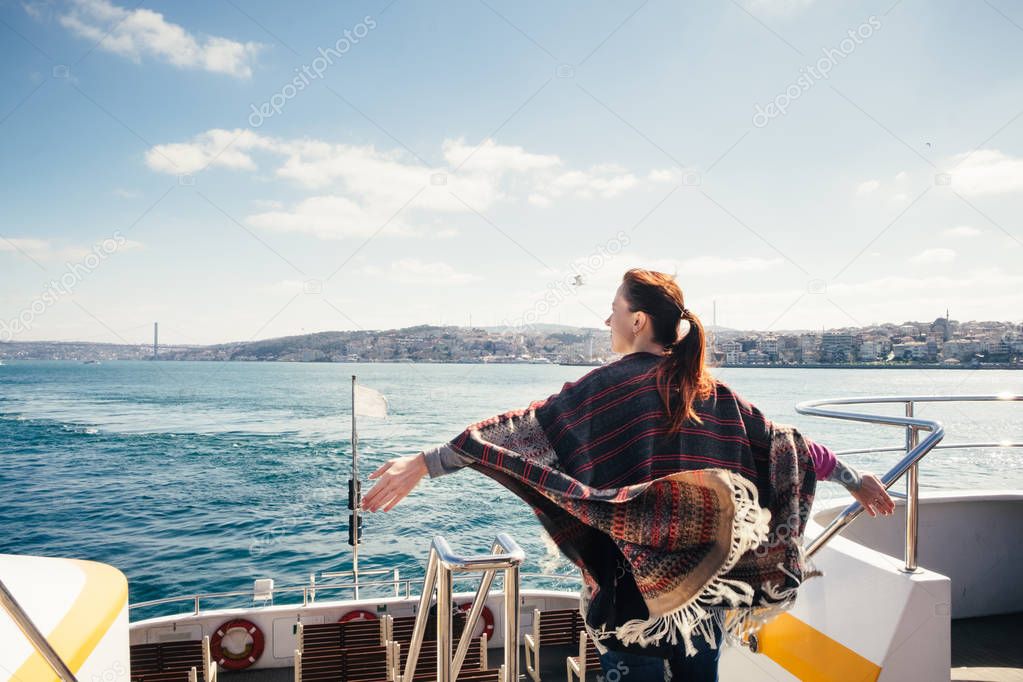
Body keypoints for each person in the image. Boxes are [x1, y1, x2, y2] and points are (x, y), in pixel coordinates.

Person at [363, 268, 895, 681]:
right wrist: (855, 478)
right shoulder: (713, 394)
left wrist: (426, 464)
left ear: (638, 320)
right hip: (701, 594)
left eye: (613, 310)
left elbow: (516, 436)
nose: (607, 321)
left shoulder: (604, 388)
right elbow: (792, 449)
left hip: (624, 597)